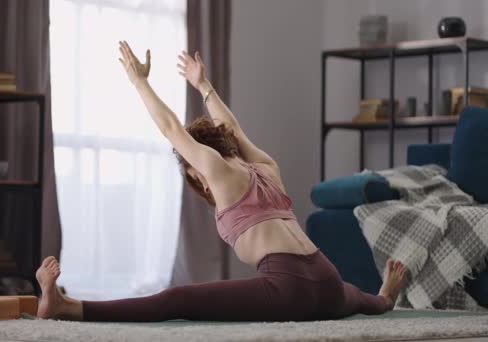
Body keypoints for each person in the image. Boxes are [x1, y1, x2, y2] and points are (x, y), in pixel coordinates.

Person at [34, 41, 408, 322]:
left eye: (191, 168)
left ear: (201, 162)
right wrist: (203, 85)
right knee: (351, 297)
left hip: (288, 283)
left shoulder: (216, 169)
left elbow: (170, 128)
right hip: (326, 279)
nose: (195, 174)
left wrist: (138, 82)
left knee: (178, 300)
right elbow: (234, 130)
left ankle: (68, 307)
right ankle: (383, 300)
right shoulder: (265, 167)